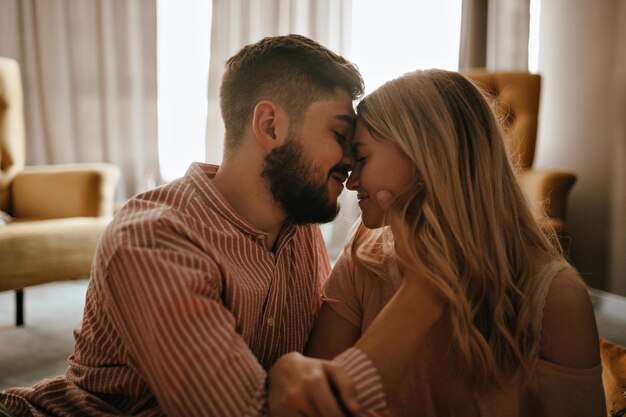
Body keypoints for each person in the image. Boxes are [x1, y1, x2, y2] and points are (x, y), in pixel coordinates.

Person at [0, 34, 389, 417]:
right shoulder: (153, 239)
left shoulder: (300, 228)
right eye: (339, 134)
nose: (351, 161)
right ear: (270, 126)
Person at [297, 69, 606, 416]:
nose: (351, 183)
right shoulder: (363, 261)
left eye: (363, 158)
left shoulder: (554, 296)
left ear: (427, 156)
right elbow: (317, 404)